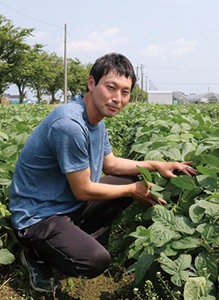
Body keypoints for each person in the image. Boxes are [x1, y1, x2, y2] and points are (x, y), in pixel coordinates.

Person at [9, 53, 197, 293]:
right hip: (37, 216)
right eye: (111, 88)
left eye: (125, 92)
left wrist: (156, 164)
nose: (117, 98)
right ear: (91, 83)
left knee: (131, 177)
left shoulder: (95, 119)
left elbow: (111, 165)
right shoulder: (70, 125)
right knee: (96, 260)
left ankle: (71, 242)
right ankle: (37, 255)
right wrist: (131, 190)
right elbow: (83, 189)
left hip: (62, 204)